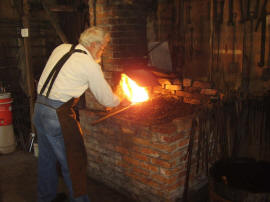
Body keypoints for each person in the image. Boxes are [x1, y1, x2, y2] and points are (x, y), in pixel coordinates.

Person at [33, 26, 121, 202]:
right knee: (74, 164)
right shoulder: (89, 65)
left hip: (39, 108)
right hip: (58, 115)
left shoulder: (62, 48)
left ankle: (45, 198)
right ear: (95, 44)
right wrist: (121, 100)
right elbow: (107, 100)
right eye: (103, 47)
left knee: (47, 159)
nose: (102, 51)